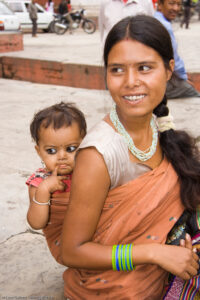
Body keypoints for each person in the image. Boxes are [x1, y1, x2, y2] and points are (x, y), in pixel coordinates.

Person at [60, 15, 200, 299]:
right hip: (114, 288)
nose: (131, 82)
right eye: (117, 70)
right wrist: (153, 253)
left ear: (169, 69)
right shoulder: (98, 156)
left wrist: (179, 244)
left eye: (144, 68)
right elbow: (71, 251)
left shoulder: (156, 124)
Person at [26, 102, 86, 264]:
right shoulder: (39, 182)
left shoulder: (89, 171)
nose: (62, 156)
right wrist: (44, 190)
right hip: (65, 243)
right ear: (39, 151)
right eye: (51, 151)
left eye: (71, 149)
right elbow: (36, 223)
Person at [155, 0, 200, 98]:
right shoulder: (165, 26)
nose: (175, 8)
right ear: (159, 5)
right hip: (160, 81)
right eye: (171, 3)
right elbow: (174, 59)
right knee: (192, 92)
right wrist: (183, 77)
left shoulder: (154, 19)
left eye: (178, 4)